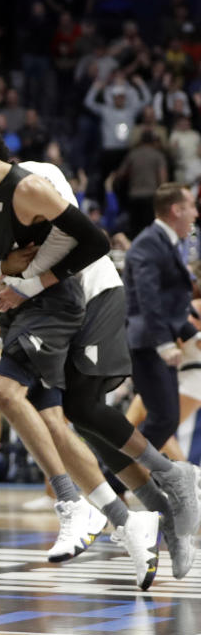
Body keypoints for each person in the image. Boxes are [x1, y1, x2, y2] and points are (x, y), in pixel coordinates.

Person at [0, 102, 198, 584]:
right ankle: (153, 509)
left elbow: (65, 240)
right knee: (65, 414)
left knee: (79, 406)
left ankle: (158, 486)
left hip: (90, 288)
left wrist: (23, 276)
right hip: (38, 305)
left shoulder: (36, 176)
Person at [124, 183, 198, 456]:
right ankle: (113, 479)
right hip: (148, 344)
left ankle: (115, 480)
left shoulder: (168, 241)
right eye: (191, 206)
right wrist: (164, 342)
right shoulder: (149, 242)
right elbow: (148, 299)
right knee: (163, 419)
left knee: (164, 420)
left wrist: (192, 333)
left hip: (157, 341)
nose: (195, 213)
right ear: (176, 209)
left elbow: (170, 303)